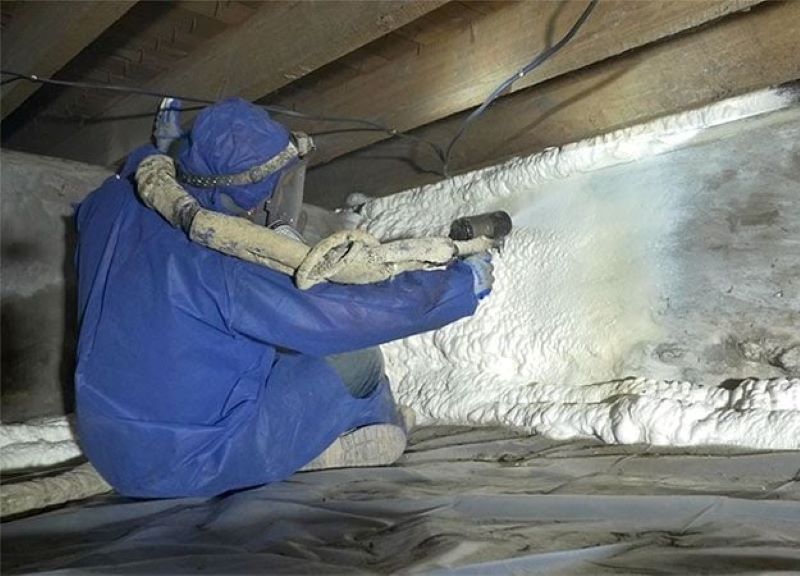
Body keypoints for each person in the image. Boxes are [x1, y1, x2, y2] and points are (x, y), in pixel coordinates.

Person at [73, 98, 493, 498]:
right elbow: (342, 317)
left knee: (250, 339)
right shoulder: (225, 259)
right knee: (360, 361)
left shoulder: (108, 203)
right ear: (250, 200)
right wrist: (460, 286)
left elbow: (142, 179)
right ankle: (366, 429)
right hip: (187, 462)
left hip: (106, 438)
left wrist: (164, 150)